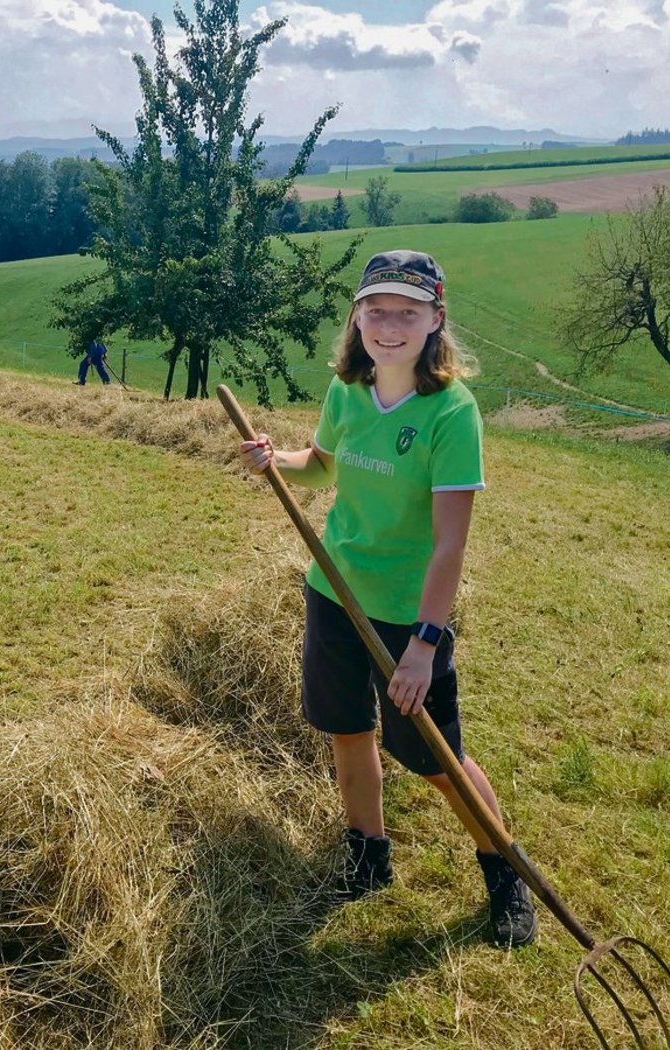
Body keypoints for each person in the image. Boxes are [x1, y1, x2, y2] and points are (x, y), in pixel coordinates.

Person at [239, 249, 536, 948]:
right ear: (358, 318)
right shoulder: (347, 391)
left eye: (408, 310)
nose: (390, 324)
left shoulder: (450, 413)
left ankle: (504, 872)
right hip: (333, 591)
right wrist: (273, 460)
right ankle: (369, 858)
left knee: (434, 760)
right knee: (348, 731)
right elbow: (322, 468)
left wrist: (423, 647)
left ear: (436, 319)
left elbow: (448, 545)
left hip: (408, 614)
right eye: (377, 309)